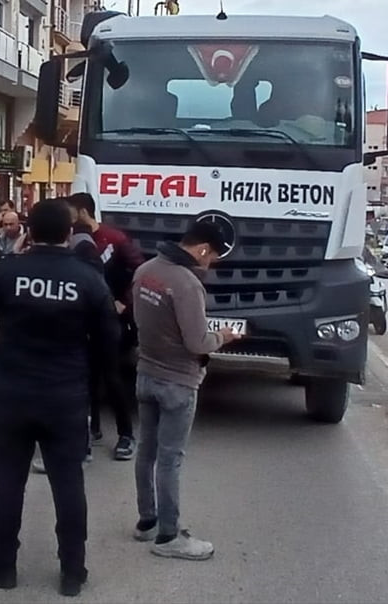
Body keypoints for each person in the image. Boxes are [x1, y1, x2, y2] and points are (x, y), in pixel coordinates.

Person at [0, 199, 119, 597]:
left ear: (28, 233)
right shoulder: (88, 279)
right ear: (69, 234)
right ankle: (72, 570)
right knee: (69, 483)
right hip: (65, 395)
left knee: (7, 483)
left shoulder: (5, 272)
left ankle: (3, 565)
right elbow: (110, 342)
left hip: (11, 394)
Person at [131, 221, 239, 561]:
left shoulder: (146, 271)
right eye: (214, 256)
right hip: (178, 381)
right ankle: (168, 536)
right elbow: (197, 341)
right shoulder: (187, 283)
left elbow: (142, 321)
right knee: (170, 459)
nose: (212, 263)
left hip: (146, 373)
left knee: (146, 451)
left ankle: (146, 521)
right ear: (203, 248)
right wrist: (225, 336)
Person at [68, 192, 141, 461]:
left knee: (112, 378)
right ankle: (91, 429)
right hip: (79, 320)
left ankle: (126, 435)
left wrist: (124, 302)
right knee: (84, 378)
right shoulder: (72, 241)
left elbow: (140, 272)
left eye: (71, 213)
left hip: (109, 320)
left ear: (82, 212)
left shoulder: (116, 239)